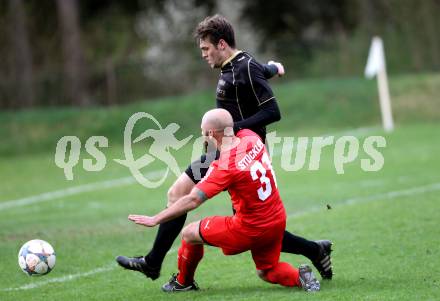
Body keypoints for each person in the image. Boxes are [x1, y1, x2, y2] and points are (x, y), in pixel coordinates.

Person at [116, 14, 332, 280]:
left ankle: (315, 249)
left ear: (221, 44)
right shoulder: (238, 65)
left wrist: (234, 129)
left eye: (206, 49)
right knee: (177, 193)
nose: (204, 55)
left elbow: (273, 111)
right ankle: (153, 262)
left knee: (253, 230)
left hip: (239, 156)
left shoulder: (244, 67)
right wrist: (273, 68)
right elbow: (259, 72)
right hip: (219, 152)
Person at [128, 109, 321, 292]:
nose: (202, 135)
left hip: (249, 228)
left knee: (189, 234)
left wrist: (156, 219)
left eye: (203, 132)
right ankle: (301, 277)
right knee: (266, 271)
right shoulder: (251, 138)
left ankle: (183, 282)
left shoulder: (225, 166)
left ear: (211, 133)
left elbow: (193, 200)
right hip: (276, 220)